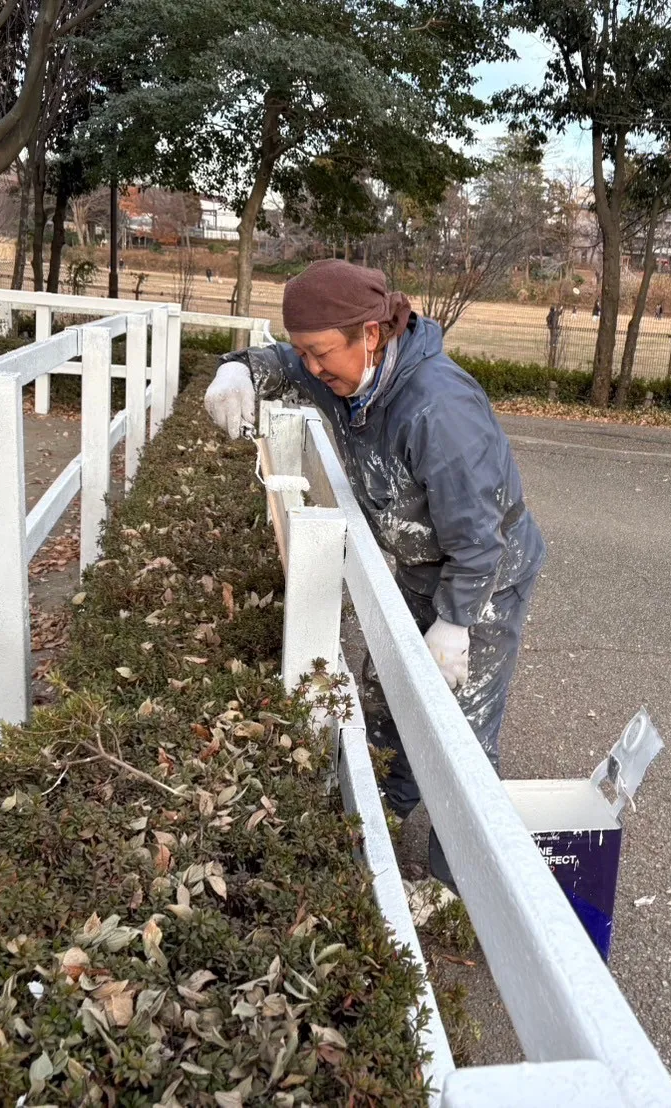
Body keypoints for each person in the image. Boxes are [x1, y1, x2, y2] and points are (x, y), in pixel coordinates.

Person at [203, 260, 546, 888]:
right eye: (306, 354)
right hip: (417, 564)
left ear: (371, 333)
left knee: (460, 723)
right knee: (387, 689)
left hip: (484, 576)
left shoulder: (438, 410)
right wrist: (238, 369)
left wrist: (455, 622)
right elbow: (283, 360)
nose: (310, 368)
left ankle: (457, 882)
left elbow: (480, 538)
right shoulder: (348, 376)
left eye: (320, 353)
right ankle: (386, 808)